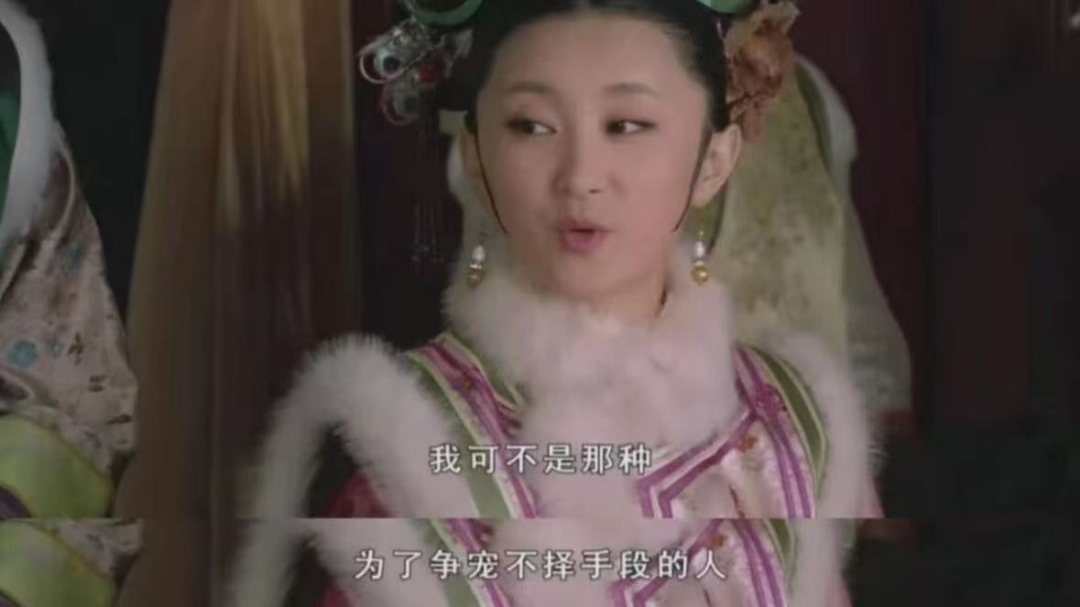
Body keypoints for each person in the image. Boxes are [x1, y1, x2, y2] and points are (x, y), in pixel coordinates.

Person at [229, 1, 879, 605]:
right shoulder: (404, 449)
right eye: (533, 126)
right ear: (476, 157)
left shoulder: (788, 425)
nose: (580, 176)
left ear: (713, 160)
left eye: (627, 125)